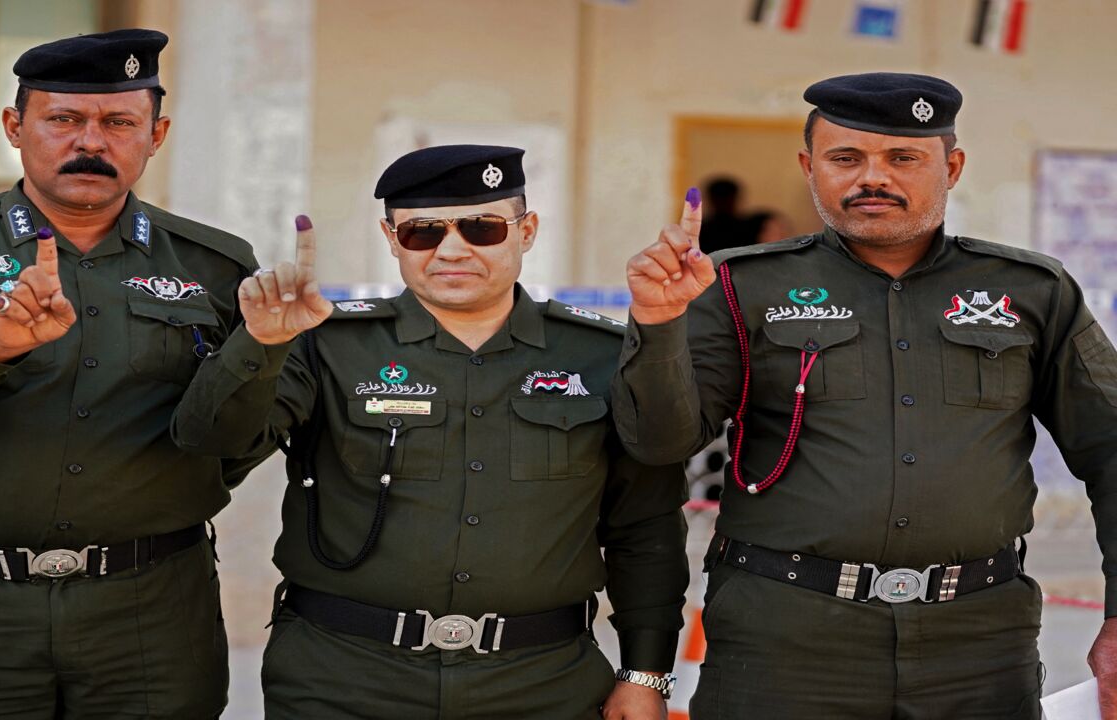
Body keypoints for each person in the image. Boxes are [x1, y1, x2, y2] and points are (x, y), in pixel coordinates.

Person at [614, 72, 1117, 719]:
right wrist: (658, 325)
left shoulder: (1031, 291)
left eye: (903, 158)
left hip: (978, 651)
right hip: (783, 644)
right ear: (809, 166)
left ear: (953, 166)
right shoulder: (740, 285)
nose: (871, 178)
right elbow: (660, 443)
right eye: (845, 158)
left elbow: (1111, 449)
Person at [0, 29, 271, 718]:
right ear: (16, 126)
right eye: (64, 118)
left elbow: (239, 434)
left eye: (118, 122)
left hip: (149, 610)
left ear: (155, 135)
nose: (91, 142)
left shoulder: (213, 266)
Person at [228, 144, 689, 719]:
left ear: (528, 231)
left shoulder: (599, 354)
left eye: (482, 228)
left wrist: (647, 672)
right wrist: (257, 348)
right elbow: (219, 453)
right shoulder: (326, 344)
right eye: (422, 232)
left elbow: (643, 525)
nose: (452, 250)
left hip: (541, 684)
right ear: (392, 238)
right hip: (343, 679)